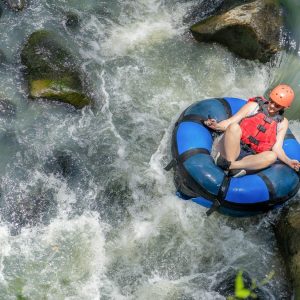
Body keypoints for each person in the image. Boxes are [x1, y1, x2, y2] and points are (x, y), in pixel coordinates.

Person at [204, 84, 300, 177]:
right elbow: (230, 121)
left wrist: (289, 161)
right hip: (234, 145)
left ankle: (230, 166)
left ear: (285, 107)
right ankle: (230, 165)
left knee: (272, 156)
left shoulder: (282, 123)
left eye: (277, 105)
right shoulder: (254, 106)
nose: (272, 106)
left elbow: (277, 148)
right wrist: (217, 125)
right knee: (234, 127)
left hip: (249, 157)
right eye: (272, 101)